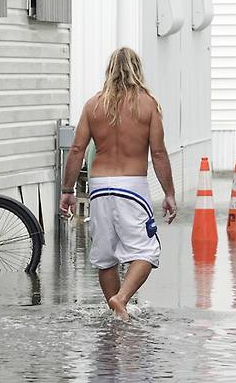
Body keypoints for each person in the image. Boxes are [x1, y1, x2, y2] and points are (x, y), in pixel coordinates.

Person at [59, 47, 177, 320]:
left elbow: (76, 150)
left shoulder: (93, 105)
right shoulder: (148, 105)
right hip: (132, 187)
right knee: (147, 251)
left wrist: (68, 191)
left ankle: (117, 315)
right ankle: (121, 298)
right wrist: (169, 193)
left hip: (99, 188)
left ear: (109, 70)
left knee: (106, 256)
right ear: (138, 69)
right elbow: (158, 153)